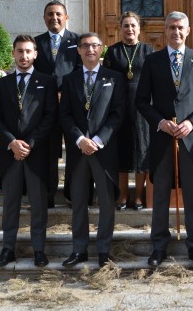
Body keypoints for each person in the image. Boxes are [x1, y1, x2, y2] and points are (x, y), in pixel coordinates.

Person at [136, 11, 193, 268]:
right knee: (161, 193)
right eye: (171, 27)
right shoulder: (153, 61)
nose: (176, 32)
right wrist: (160, 122)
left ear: (189, 30)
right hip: (162, 139)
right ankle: (158, 246)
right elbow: (141, 101)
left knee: (192, 194)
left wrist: (191, 122)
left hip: (190, 139)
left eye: (180, 28)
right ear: (165, 30)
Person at [0, 35, 58, 268]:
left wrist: (28, 143)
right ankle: (8, 249)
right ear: (13, 53)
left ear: (35, 54)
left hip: (36, 154)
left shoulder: (47, 81)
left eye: (28, 51)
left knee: (38, 205)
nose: (24, 56)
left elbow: (50, 117)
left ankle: (39, 249)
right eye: (20, 51)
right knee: (10, 205)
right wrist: (11, 143)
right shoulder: (3, 84)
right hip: (11, 155)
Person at [60, 32, 126, 268]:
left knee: (107, 202)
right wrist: (80, 139)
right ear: (78, 50)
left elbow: (118, 114)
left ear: (102, 49)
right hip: (79, 151)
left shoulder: (115, 78)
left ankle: (103, 250)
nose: (90, 50)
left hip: (103, 150)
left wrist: (98, 140)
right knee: (79, 202)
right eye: (85, 46)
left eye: (95, 46)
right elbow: (65, 115)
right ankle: (79, 250)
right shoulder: (69, 79)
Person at [103, 11, 154, 210]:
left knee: (142, 151)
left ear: (139, 28)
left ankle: (139, 196)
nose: (129, 29)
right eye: (126, 25)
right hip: (119, 105)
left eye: (133, 25)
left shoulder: (149, 51)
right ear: (120, 28)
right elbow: (106, 81)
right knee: (122, 151)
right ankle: (123, 195)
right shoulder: (113, 52)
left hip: (142, 106)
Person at [33, 1, 81, 208]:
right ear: (44, 18)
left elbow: (81, 71)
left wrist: (66, 93)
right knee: (48, 153)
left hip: (72, 106)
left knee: (75, 152)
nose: (54, 18)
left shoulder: (78, 41)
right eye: (50, 14)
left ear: (66, 17)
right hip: (46, 108)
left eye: (58, 14)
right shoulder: (36, 42)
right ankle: (48, 197)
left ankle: (75, 196)